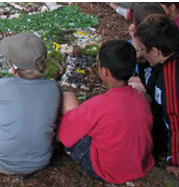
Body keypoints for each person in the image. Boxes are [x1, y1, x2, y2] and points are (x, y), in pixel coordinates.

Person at [57, 40, 154, 184]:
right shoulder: (141, 99)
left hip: (106, 169)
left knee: (68, 97)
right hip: (139, 164)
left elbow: (64, 134)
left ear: (104, 71)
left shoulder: (98, 105)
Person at [0, 33, 62, 175]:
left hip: (3, 161)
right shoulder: (54, 87)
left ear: (13, 67)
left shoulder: (0, 86)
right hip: (42, 160)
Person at [134, 15, 179, 179]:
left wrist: (174, 159)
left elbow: (175, 118)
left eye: (142, 49)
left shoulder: (172, 77)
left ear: (155, 51)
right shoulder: (166, 62)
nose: (140, 53)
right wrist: (141, 61)